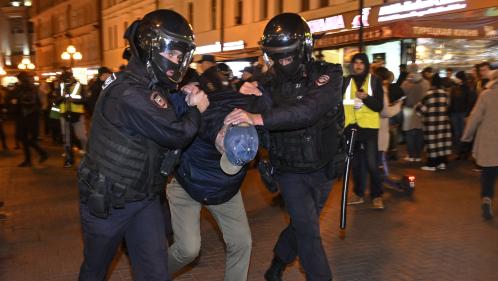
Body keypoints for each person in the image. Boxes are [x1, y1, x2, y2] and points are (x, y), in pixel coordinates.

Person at [77, 9, 208, 281]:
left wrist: (184, 98)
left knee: (155, 273)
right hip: (108, 202)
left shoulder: (151, 87)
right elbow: (176, 133)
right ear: (149, 48)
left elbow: (164, 114)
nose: (177, 61)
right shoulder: (128, 92)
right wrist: (196, 110)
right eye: (172, 53)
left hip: (144, 198)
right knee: (94, 271)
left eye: (181, 55)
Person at [224, 13, 344, 281]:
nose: (281, 62)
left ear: (303, 50)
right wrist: (244, 98)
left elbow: (309, 111)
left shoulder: (328, 74)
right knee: (309, 231)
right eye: (275, 57)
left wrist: (259, 116)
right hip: (289, 170)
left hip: (323, 167)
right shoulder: (264, 82)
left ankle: (278, 263)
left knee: (302, 226)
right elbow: (243, 116)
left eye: (287, 56)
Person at [167, 71, 263, 280]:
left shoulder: (250, 118)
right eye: (224, 149)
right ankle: (152, 274)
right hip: (187, 185)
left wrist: (260, 91)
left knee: (241, 242)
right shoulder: (197, 107)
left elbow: (292, 109)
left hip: (224, 189)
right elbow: (162, 110)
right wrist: (181, 94)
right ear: (223, 131)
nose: (224, 154)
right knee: (188, 250)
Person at [343, 53, 384, 209]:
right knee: (355, 164)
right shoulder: (345, 81)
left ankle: (377, 195)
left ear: (366, 65)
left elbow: (379, 107)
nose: (358, 66)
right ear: (352, 65)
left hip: (369, 128)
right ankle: (358, 193)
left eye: (361, 63)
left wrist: (366, 97)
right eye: (355, 63)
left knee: (372, 164)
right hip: (350, 128)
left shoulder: (374, 81)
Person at [461, 70, 498, 220]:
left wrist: (466, 137)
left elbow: (475, 118)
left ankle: (487, 199)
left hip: (490, 141)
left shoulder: (486, 95)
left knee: (488, 174)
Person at [414, 73, 452, 171]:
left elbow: (420, 109)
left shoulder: (428, 94)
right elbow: (447, 107)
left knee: (432, 143)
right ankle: (442, 162)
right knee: (441, 142)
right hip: (443, 122)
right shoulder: (445, 94)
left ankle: (431, 164)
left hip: (430, 123)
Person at [52, 67, 88, 167]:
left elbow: (85, 99)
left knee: (82, 136)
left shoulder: (79, 85)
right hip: (64, 114)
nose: (66, 78)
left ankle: (87, 154)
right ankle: (69, 159)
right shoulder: (60, 85)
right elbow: (55, 101)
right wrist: (62, 98)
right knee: (66, 138)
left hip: (77, 114)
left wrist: (74, 100)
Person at [10, 72, 48, 167]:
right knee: (25, 139)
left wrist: (17, 101)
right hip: (28, 116)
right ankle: (29, 159)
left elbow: (29, 102)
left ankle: (40, 154)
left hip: (28, 116)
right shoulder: (28, 88)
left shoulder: (26, 88)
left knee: (28, 139)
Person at [449, 71, 474, 159]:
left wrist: (467, 114)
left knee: (463, 133)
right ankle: (458, 152)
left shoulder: (467, 88)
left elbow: (469, 102)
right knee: (456, 133)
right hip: (454, 113)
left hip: (463, 113)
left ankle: (464, 152)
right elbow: (451, 101)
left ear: (460, 78)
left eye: (456, 77)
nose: (454, 79)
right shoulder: (454, 88)